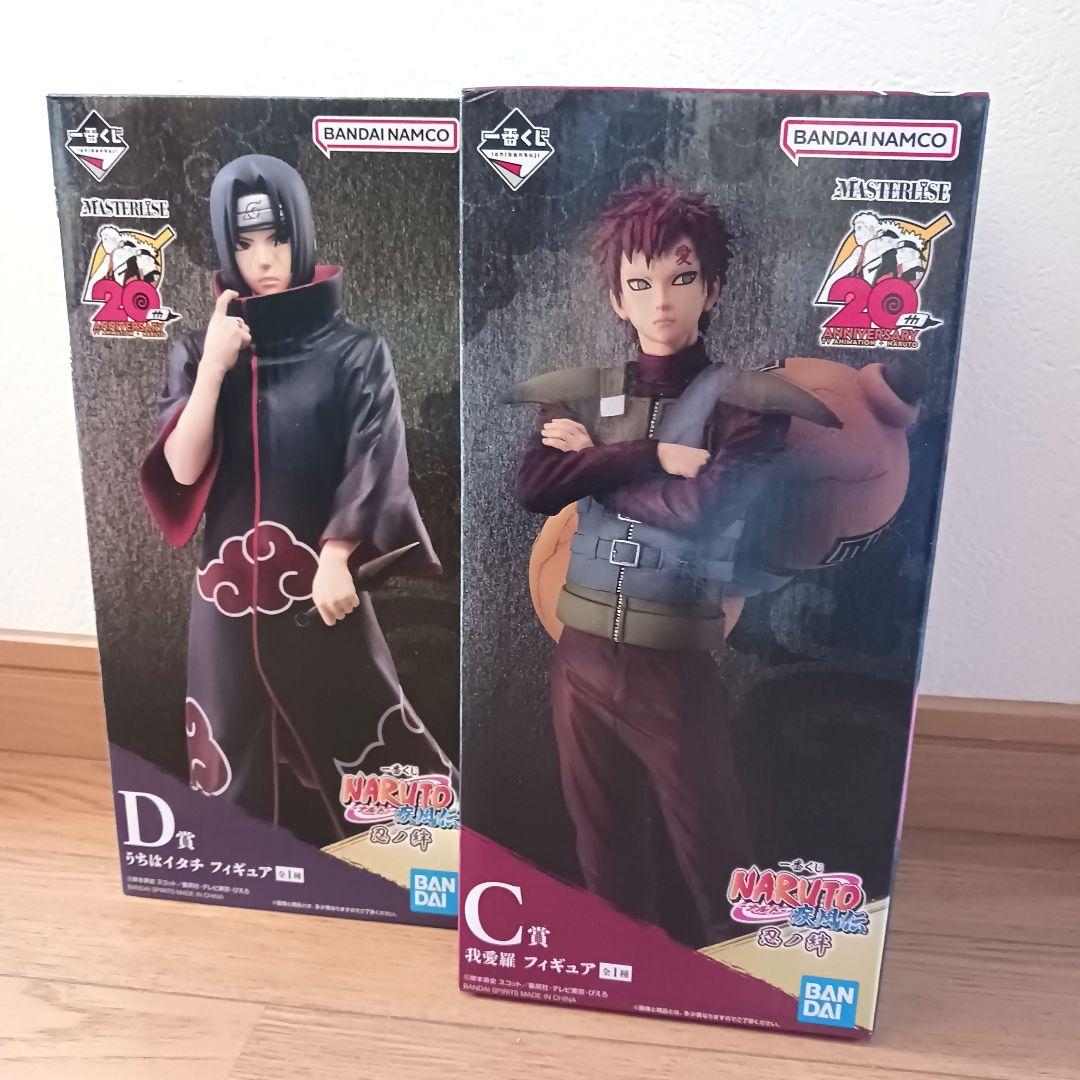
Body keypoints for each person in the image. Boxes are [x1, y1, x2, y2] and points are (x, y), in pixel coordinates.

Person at [504, 184, 834, 944]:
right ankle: (619, 975)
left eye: (681, 278)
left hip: (673, 666)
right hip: (580, 658)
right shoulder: (583, 397)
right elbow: (533, 487)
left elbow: (702, 511)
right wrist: (643, 455)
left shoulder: (747, 405)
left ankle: (745, 986)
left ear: (710, 289)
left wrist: (595, 467)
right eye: (640, 282)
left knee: (720, 867)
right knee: (603, 858)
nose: (661, 301)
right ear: (617, 298)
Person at [139, 154, 452, 844]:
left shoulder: (355, 351)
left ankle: (418, 866)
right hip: (226, 601)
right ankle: (243, 875)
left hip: (318, 593)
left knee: (375, 747)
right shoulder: (196, 350)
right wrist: (214, 370)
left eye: (277, 239)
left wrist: (337, 555)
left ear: (301, 234)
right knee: (227, 766)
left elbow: (375, 457)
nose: (264, 260)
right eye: (245, 244)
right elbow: (182, 469)